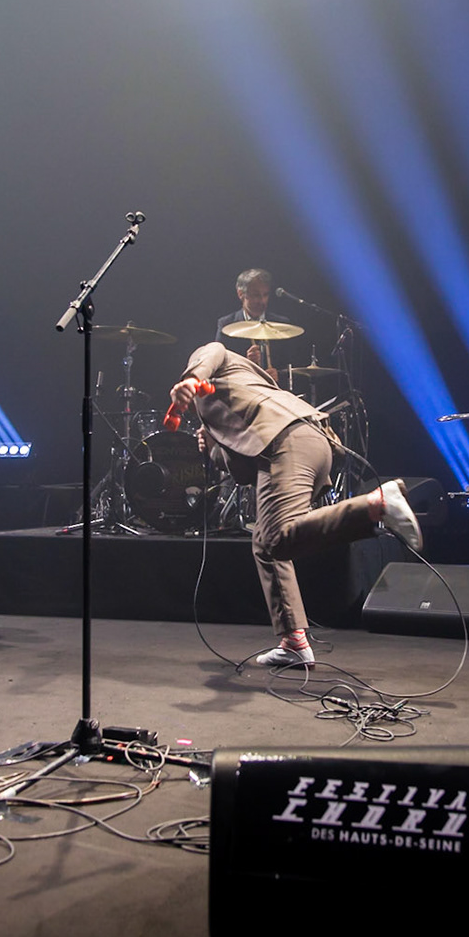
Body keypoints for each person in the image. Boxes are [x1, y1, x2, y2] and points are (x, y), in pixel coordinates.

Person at [170, 341, 421, 667]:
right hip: (313, 441)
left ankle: (375, 505)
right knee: (265, 540)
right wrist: (213, 448)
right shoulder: (235, 396)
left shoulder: (217, 364)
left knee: (277, 538)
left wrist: (192, 378)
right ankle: (293, 640)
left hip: (287, 441)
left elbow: (212, 349)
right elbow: (245, 471)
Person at [215, 268, 291, 372]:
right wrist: (246, 362)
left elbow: (292, 365)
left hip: (274, 387)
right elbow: (220, 366)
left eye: (265, 295)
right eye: (256, 295)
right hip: (242, 385)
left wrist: (279, 374)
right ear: (241, 294)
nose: (262, 301)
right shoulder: (226, 324)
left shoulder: (282, 324)